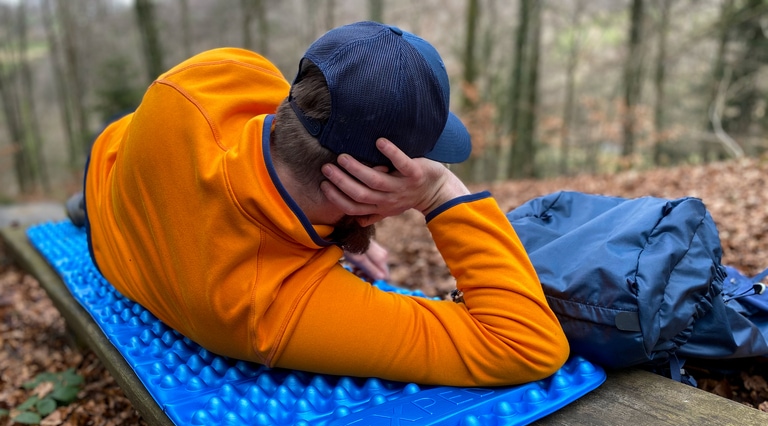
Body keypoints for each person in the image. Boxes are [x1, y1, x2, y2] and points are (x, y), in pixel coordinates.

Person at [69, 21, 569, 387]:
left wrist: (338, 235)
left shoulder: (213, 73)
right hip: (109, 235)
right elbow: (525, 343)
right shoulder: (265, 307)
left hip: (116, 155)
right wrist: (438, 191)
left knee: (123, 125)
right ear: (373, 182)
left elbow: (290, 152)